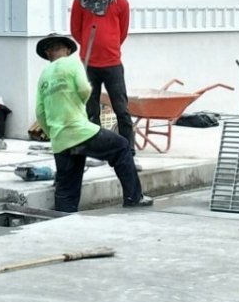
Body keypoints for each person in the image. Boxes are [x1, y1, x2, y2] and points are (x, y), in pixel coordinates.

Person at [29, 33, 154, 213]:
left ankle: (62, 217)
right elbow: (85, 89)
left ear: (48, 53)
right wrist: (79, 103)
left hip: (60, 138)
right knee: (121, 147)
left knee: (67, 186)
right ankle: (134, 197)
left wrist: (54, 134)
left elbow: (40, 112)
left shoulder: (44, 75)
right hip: (80, 131)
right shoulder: (73, 64)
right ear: (68, 50)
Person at [69, 0, 133, 148]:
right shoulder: (80, 2)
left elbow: (122, 32)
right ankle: (96, 147)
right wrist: (91, 47)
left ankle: (128, 148)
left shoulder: (121, 2)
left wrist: (109, 46)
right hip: (89, 64)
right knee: (91, 109)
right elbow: (76, 30)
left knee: (121, 109)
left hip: (113, 64)